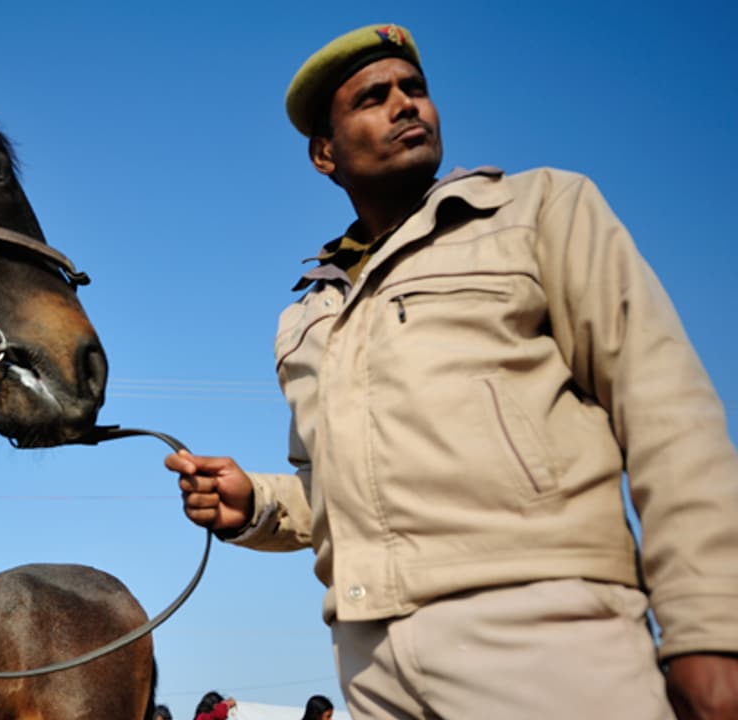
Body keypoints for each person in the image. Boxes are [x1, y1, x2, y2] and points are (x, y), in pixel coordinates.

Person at [166, 23, 738, 720]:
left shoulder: (540, 212)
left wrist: (710, 632)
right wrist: (254, 503)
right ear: (325, 153)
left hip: (544, 637)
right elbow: (339, 494)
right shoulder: (310, 315)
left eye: (416, 89)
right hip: (372, 670)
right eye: (374, 97)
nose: (407, 105)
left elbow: (667, 414)